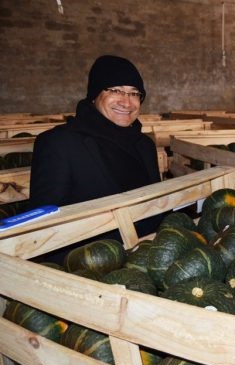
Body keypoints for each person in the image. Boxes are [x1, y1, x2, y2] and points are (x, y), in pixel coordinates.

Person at [30, 55, 162, 240]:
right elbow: (45, 227)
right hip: (89, 260)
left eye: (134, 93)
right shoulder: (58, 143)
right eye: (116, 90)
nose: (126, 102)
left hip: (152, 250)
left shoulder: (145, 145)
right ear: (94, 96)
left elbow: (158, 207)